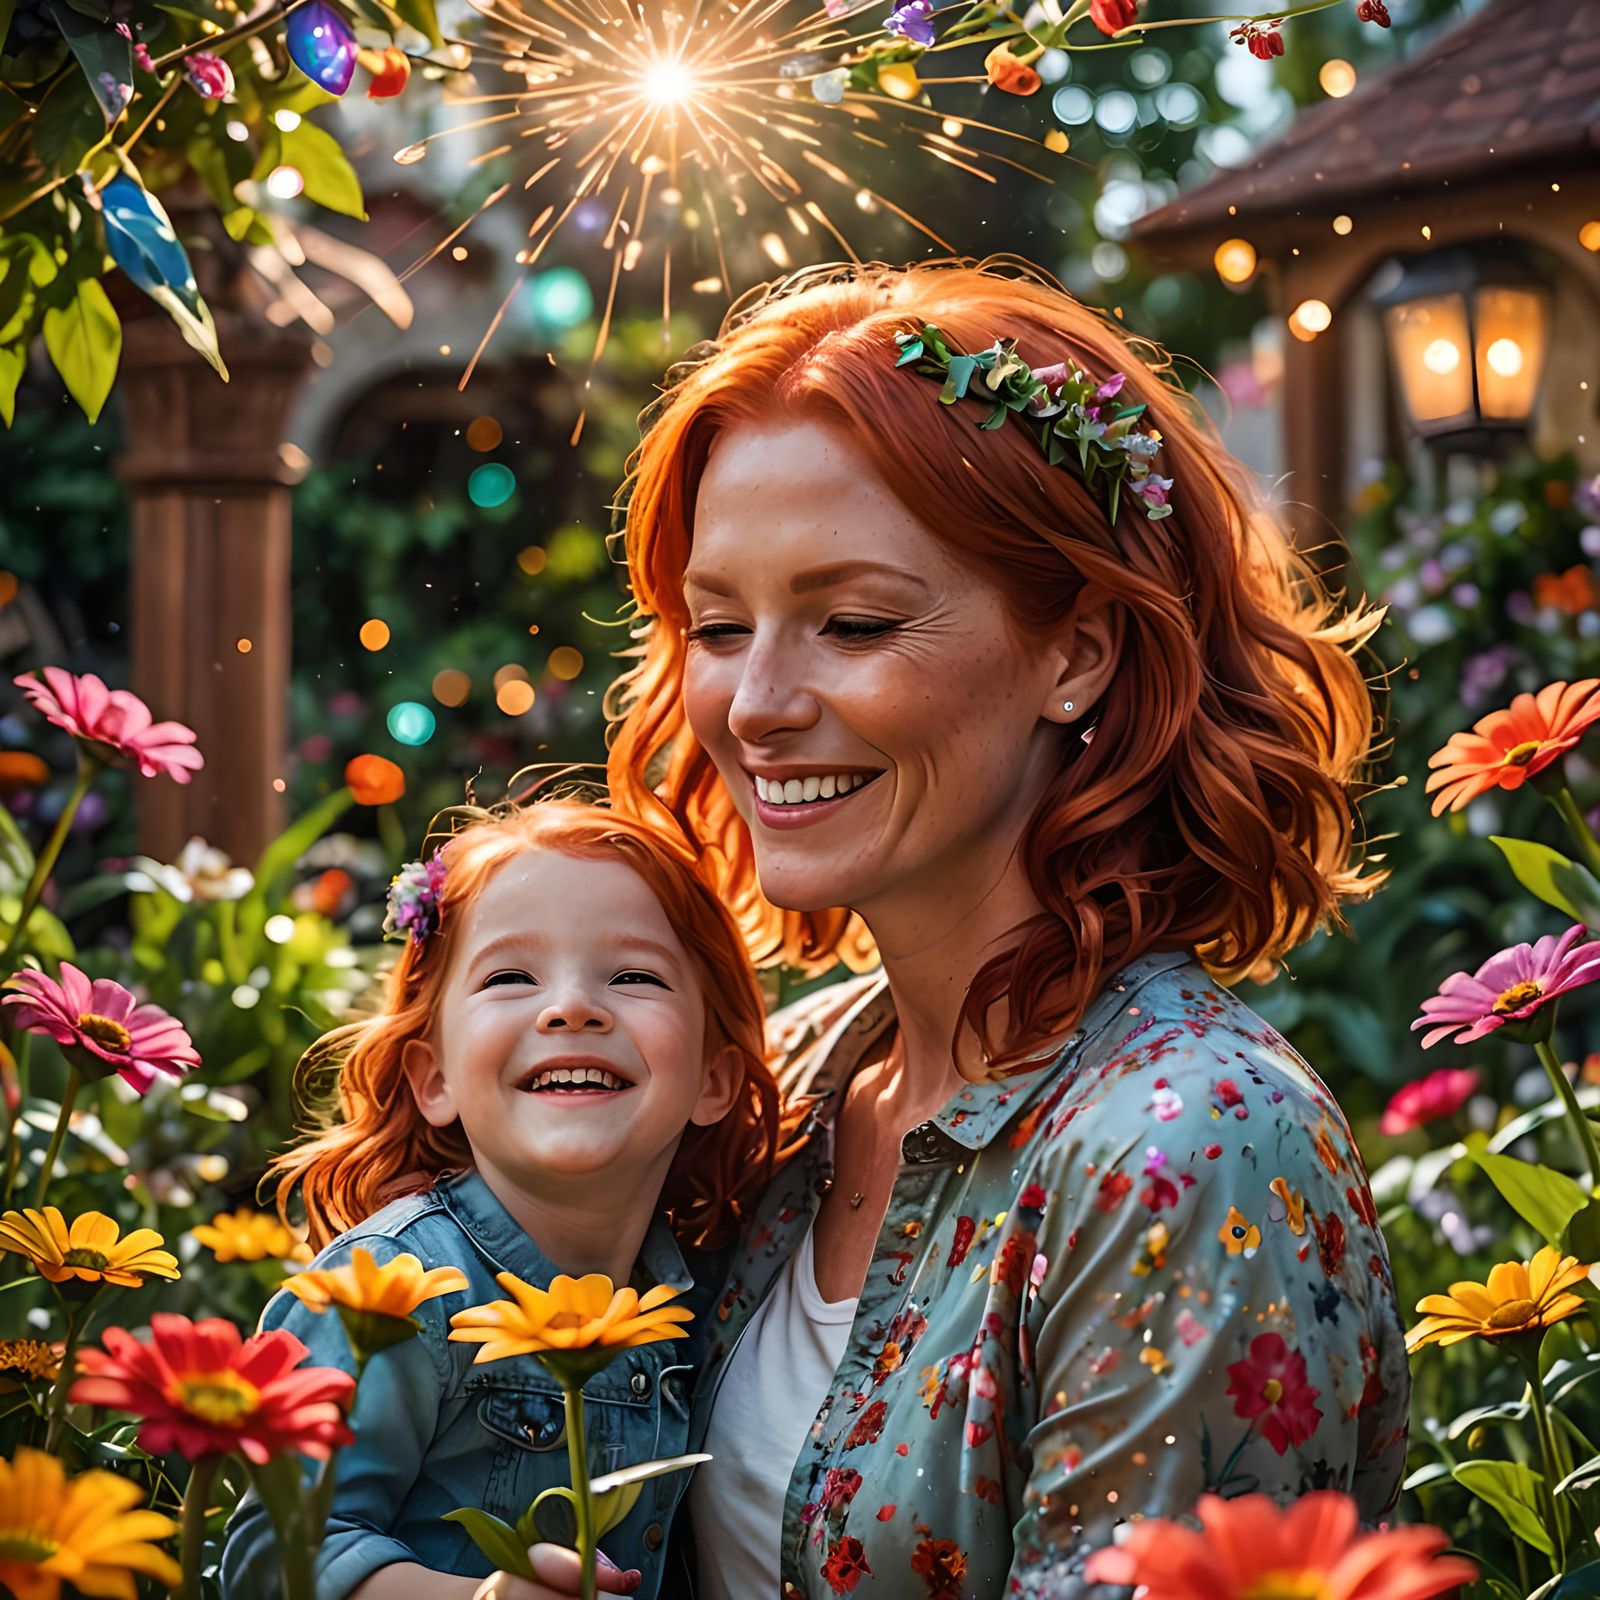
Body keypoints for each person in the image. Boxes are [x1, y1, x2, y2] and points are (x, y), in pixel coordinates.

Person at [508, 258, 1411, 1600]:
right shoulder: (785, 1090)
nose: (754, 703)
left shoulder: (1188, 1148)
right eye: (716, 624)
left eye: (854, 622)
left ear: (1079, 653)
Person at [220, 797, 784, 1600]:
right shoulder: (388, 1297)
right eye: (512, 977)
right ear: (435, 1078)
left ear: (715, 1079)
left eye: (633, 976)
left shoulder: (706, 1305)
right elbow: (275, 1560)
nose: (572, 1008)